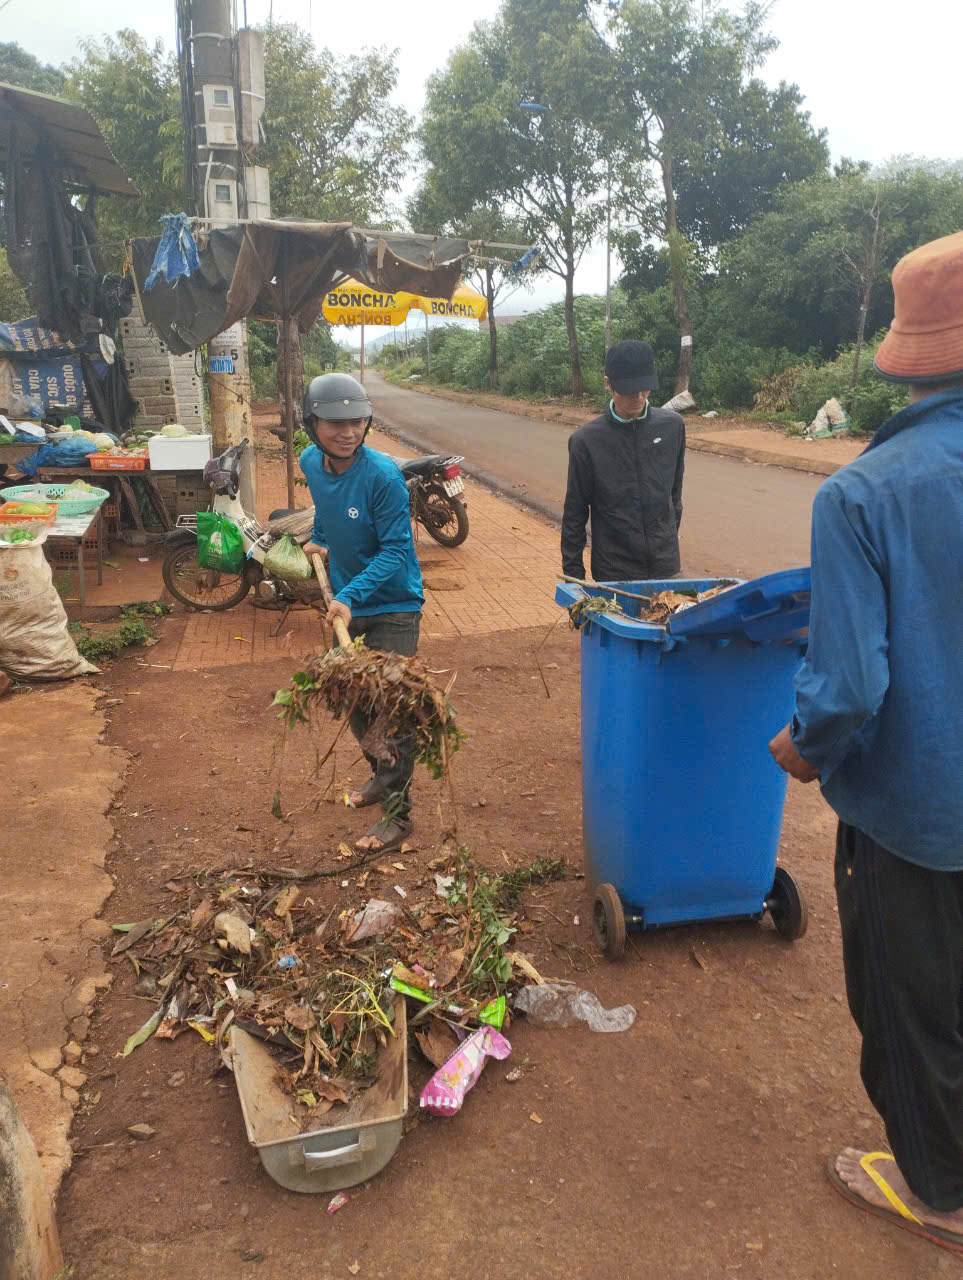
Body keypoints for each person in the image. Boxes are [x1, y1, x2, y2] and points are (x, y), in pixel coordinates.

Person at [769, 230, 963, 1255]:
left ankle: (938, 1193)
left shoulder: (862, 493)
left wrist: (803, 745)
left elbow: (848, 686)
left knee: (913, 1008)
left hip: (921, 816)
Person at [300, 372, 424, 855]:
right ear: (312, 425)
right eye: (335, 423)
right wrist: (322, 538)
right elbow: (325, 507)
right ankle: (380, 779)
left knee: (393, 713)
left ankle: (398, 817)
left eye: (356, 421)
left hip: (392, 606)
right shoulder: (312, 461)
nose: (347, 431)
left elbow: (396, 550)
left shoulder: (383, 477)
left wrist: (348, 596)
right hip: (348, 607)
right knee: (353, 703)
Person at [561, 338, 685, 583]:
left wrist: (665, 541)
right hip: (614, 572)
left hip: (666, 568)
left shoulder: (672, 427)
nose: (639, 396)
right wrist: (574, 582)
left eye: (645, 387)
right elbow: (574, 515)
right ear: (609, 383)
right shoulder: (586, 441)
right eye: (630, 390)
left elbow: (674, 494)